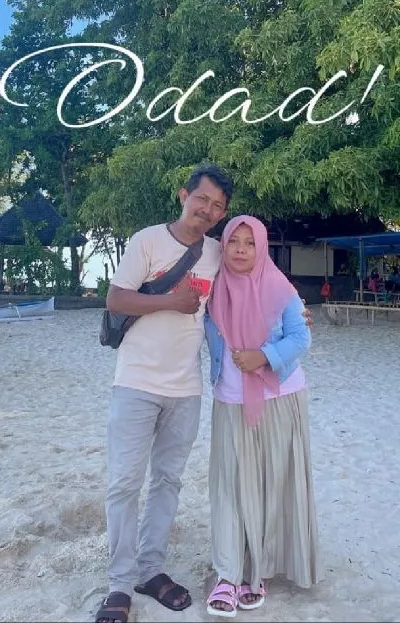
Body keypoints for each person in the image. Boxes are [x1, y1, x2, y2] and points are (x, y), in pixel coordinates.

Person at [95, 166, 313, 623]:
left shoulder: (218, 249)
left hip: (188, 388)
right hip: (135, 381)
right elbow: (116, 299)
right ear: (184, 195)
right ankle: (119, 583)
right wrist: (168, 302)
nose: (209, 211)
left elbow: (256, 283)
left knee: (167, 482)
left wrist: (293, 318)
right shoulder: (147, 241)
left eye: (218, 207)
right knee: (124, 484)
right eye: (203, 200)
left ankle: (151, 570)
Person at [204, 215, 320, 617]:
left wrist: (263, 357)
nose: (240, 250)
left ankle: (261, 569)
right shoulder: (212, 288)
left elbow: (300, 337)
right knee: (230, 487)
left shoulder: (279, 287)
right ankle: (227, 573)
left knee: (271, 486)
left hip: (280, 396)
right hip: (229, 400)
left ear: (262, 247)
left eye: (249, 243)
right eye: (233, 241)